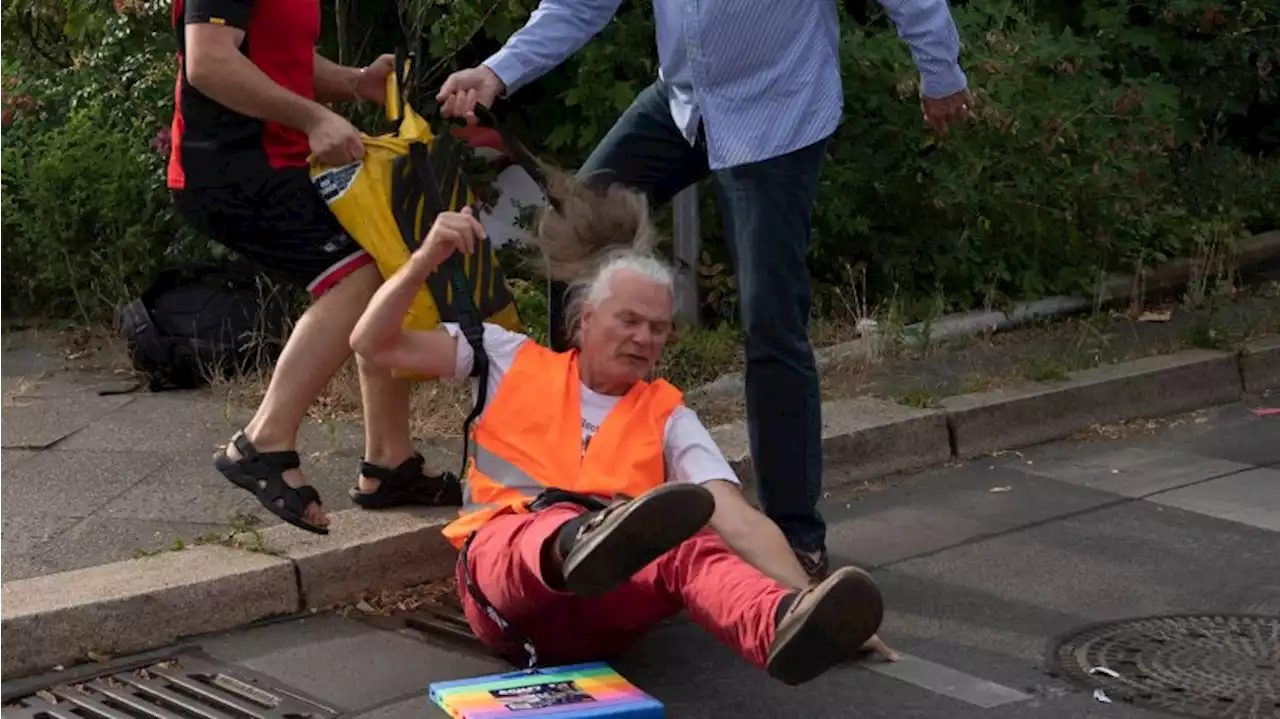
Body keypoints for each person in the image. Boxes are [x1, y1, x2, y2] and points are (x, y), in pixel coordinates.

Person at [433, 0, 974, 579]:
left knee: (770, 319)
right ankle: (573, 477)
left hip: (778, 112)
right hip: (684, 104)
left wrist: (940, 73)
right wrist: (496, 72)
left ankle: (795, 535)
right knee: (574, 228)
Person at [350, 175, 899, 685]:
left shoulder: (667, 413)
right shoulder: (503, 356)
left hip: (607, 614)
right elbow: (371, 344)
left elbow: (743, 524)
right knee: (526, 530)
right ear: (584, 319)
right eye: (629, 320)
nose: (645, 338)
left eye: (658, 328)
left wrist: (814, 604)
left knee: (689, 540)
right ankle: (581, 538)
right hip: (507, 589)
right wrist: (426, 259)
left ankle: (778, 623)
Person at [166, 0, 460, 534]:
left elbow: (281, 58)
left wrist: (355, 83)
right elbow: (208, 62)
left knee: (388, 264)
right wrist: (315, 117)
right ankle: (263, 441)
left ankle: (390, 463)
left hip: (275, 160)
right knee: (363, 274)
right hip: (226, 168)